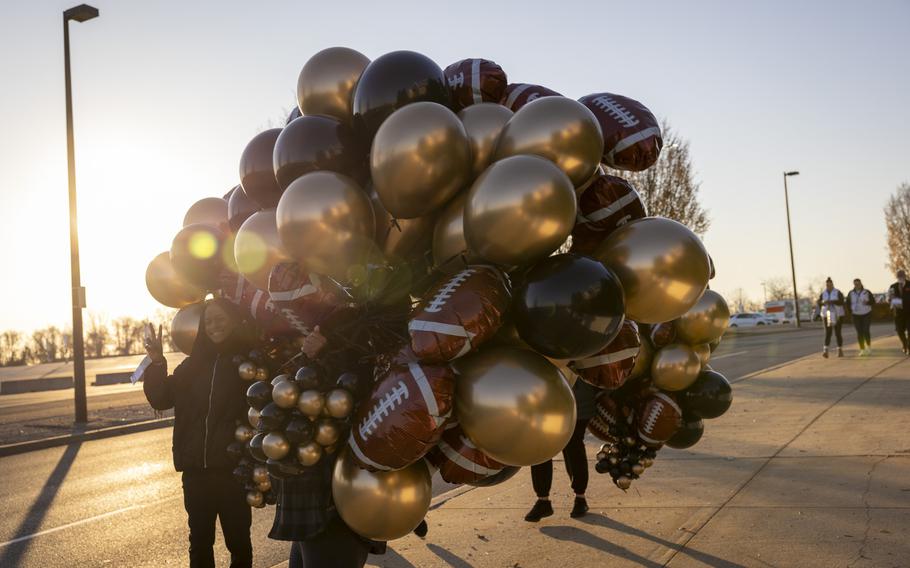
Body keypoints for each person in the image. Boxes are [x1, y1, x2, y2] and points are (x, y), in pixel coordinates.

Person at [143, 298, 254, 568]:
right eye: (208, 321)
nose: (214, 326)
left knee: (238, 542)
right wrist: (157, 363)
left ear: (233, 321)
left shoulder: (247, 363)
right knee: (200, 542)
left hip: (232, 472)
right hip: (196, 474)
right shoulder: (192, 365)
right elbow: (161, 397)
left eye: (220, 319)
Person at [525, 378, 599, 522]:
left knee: (573, 445)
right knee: (541, 447)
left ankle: (580, 497)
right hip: (548, 399)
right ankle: (543, 500)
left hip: (577, 399)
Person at [817, 277, 845, 358]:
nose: (828, 286)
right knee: (828, 332)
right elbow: (819, 302)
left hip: (837, 314)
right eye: (827, 285)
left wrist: (832, 301)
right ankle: (825, 351)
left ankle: (840, 350)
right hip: (826, 314)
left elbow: (841, 302)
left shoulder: (837, 292)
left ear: (832, 284)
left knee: (837, 332)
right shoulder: (823, 293)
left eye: (830, 285)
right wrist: (822, 302)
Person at [846, 278, 875, 356]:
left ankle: (868, 347)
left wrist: (867, 302)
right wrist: (850, 312)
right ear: (854, 285)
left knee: (866, 330)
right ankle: (862, 349)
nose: (857, 285)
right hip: (856, 315)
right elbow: (847, 303)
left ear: (861, 283)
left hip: (866, 313)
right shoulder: (851, 293)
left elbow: (873, 301)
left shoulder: (866, 292)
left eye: (858, 284)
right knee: (859, 332)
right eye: (855, 284)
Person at [888, 270, 910, 355]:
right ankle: (904, 345)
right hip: (898, 313)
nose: (900, 277)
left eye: (902, 275)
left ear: (905, 276)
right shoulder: (893, 286)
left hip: (909, 312)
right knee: (900, 330)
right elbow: (890, 297)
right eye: (898, 276)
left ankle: (909, 346)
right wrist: (890, 300)